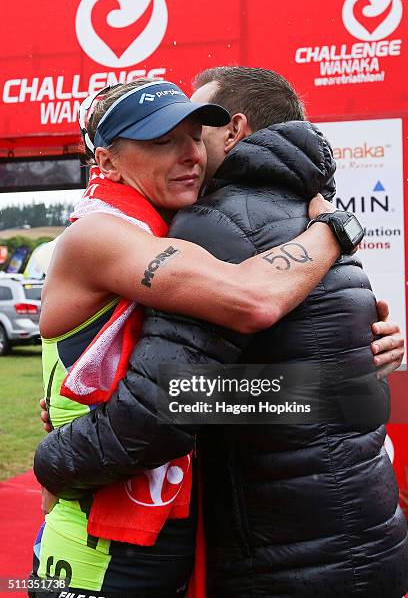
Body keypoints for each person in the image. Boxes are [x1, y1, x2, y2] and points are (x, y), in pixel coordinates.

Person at [34, 68, 407, 597]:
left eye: (193, 135)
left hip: (228, 533)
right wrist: (337, 229)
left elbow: (204, 391)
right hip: (105, 539)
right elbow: (251, 303)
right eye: (164, 141)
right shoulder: (108, 232)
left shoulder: (207, 225)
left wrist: (349, 362)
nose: (190, 153)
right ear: (108, 160)